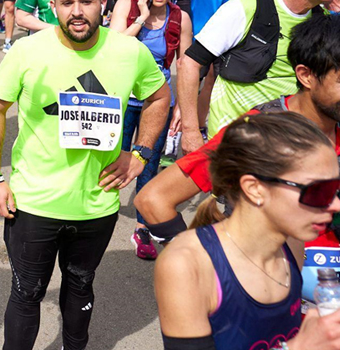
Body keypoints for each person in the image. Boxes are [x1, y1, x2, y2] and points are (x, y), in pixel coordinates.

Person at [0, 0, 170, 350]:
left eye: (87, 1)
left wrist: (141, 153)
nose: (78, 11)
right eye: (67, 3)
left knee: (81, 287)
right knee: (26, 294)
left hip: (96, 204)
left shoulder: (128, 52)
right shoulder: (28, 50)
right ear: (53, 7)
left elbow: (158, 96)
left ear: (103, 3)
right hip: (34, 203)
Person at [138, 13, 340, 256]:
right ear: (306, 75)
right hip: (275, 288)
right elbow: (154, 199)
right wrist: (209, 269)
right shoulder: (256, 132)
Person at [154, 112, 340, 350]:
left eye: (336, 188)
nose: (335, 204)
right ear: (255, 189)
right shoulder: (186, 263)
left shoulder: (291, 242)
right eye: (318, 190)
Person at [176, 0, 340, 152]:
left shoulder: (325, 19)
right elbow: (188, 64)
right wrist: (190, 131)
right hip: (236, 150)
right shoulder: (246, 8)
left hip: (292, 150)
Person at [110, 0, 192, 260]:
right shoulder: (125, 6)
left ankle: (143, 228)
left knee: (147, 161)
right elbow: (113, 47)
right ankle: (98, 212)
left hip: (157, 103)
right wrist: (142, 19)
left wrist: (183, 106)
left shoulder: (180, 17)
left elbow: (185, 65)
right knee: (110, 155)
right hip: (120, 100)